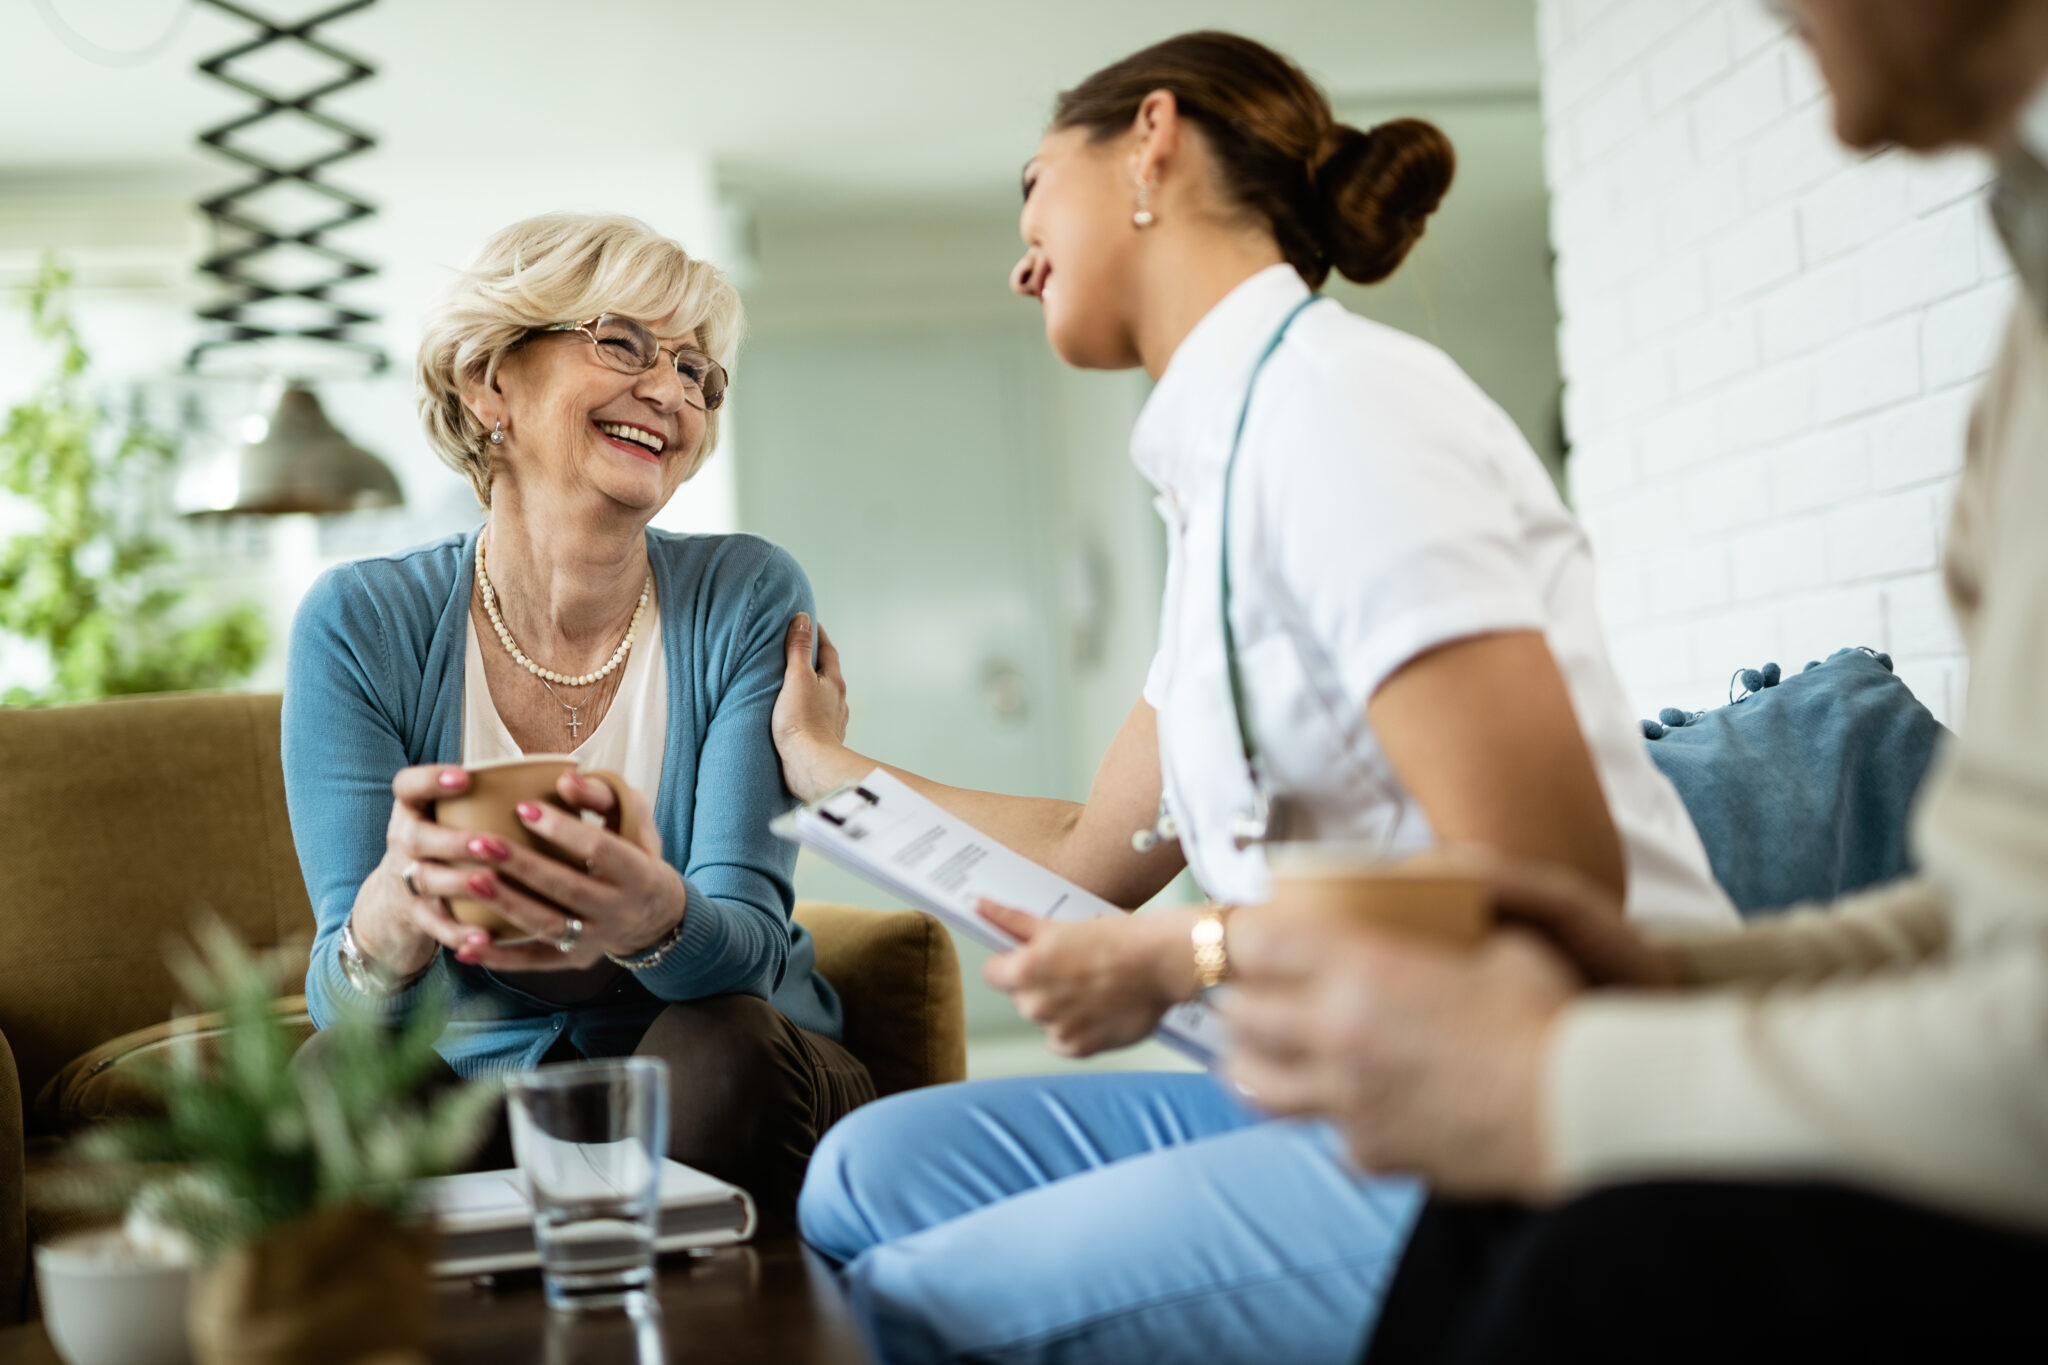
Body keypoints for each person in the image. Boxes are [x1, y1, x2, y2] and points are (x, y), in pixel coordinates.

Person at [770, 31, 1735, 1365]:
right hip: (1330, 1089)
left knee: (927, 1295)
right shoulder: (1220, 489)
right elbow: (1086, 861)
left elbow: (1548, 870)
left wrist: (1190, 955)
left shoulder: (1341, 412)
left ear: (1150, 139)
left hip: (1537, 1111)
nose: (1021, 253)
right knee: (863, 1177)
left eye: (1036, 187)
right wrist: (830, 767)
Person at [1222, 2, 2048, 1359]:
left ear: (1150, 149)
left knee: (1615, 1252)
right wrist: (1674, 978)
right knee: (1514, 1207)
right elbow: (1996, 920)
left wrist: (1561, 1078)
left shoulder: (1340, 415)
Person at [282, 212, 873, 1217]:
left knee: (718, 1043)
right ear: (489, 383)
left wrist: (648, 916)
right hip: (480, 1089)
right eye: (623, 345)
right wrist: (392, 916)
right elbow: (341, 998)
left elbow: (751, 948)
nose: (672, 391)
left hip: (721, 1066)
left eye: (698, 374)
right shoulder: (359, 622)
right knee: (334, 1076)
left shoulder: (744, 594)